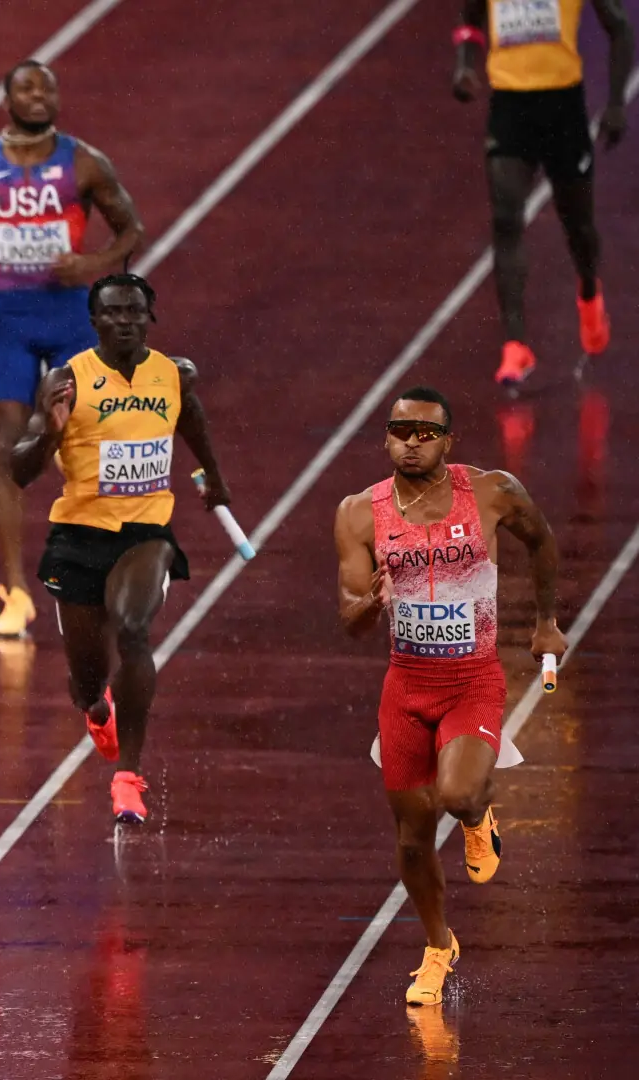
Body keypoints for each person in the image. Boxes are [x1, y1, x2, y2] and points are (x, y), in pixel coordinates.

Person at [333, 386, 566, 1006]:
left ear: (447, 440)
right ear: (384, 437)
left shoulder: (491, 492)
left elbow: (541, 541)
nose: (412, 441)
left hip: (472, 680)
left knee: (459, 791)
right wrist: (369, 605)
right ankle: (439, 948)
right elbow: (350, 619)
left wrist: (545, 623)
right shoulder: (360, 513)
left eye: (426, 432)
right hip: (406, 687)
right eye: (401, 430)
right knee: (411, 838)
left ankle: (476, 815)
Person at [9, 274, 232, 825]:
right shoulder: (69, 382)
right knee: (87, 675)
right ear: (94, 321)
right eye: (112, 312)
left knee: (133, 629)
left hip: (145, 534)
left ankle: (127, 778)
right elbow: (18, 470)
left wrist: (213, 477)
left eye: (134, 311)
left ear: (149, 315)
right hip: (79, 537)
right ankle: (95, 707)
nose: (125, 320)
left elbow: (192, 417)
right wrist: (51, 436)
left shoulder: (172, 375)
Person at [0, 60, 145, 639]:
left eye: (48, 86)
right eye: (27, 87)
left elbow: (131, 231)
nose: (39, 94)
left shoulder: (83, 163)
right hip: (9, 322)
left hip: (72, 320)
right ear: (6, 99)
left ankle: (101, 566)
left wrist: (93, 264)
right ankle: (15, 590)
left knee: (91, 441)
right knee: (5, 441)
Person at [451, 0, 631, 386]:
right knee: (505, 220)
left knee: (579, 228)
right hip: (510, 107)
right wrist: (465, 67)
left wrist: (616, 104)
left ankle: (588, 292)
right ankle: (515, 344)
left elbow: (620, 28)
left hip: (563, 107)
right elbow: (470, 23)